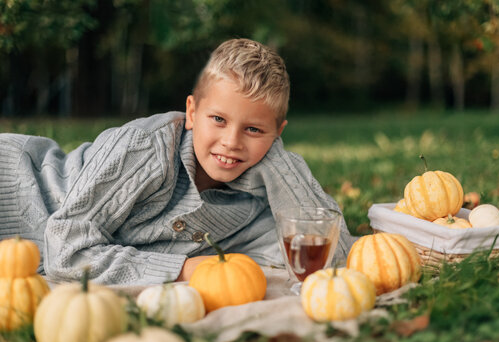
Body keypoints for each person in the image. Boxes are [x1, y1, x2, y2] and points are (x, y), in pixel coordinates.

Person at [0, 38, 356, 285]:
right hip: (15, 183)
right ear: (191, 111)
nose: (231, 142)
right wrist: (184, 270)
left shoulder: (257, 205)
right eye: (218, 119)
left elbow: (334, 257)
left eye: (253, 129)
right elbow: (64, 250)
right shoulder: (146, 148)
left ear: (278, 133)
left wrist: (278, 161)